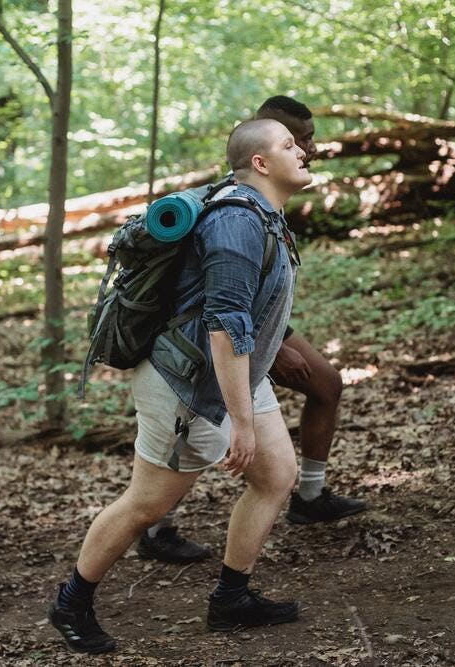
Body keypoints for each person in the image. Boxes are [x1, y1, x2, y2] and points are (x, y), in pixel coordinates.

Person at [49, 118, 311, 654]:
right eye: (289, 145)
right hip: (186, 383)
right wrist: (240, 420)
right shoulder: (238, 220)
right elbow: (223, 324)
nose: (303, 150)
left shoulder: (264, 213)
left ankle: (231, 599)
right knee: (146, 505)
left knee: (278, 474)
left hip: (233, 375)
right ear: (260, 164)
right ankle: (71, 602)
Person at [137, 96, 365, 565]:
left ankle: (309, 495)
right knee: (188, 451)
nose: (309, 148)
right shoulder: (235, 208)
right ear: (262, 152)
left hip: (244, 325)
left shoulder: (268, 195)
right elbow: (223, 300)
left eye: (308, 139)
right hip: (205, 337)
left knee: (324, 386)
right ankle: (151, 528)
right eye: (297, 140)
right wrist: (272, 347)